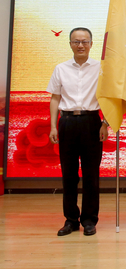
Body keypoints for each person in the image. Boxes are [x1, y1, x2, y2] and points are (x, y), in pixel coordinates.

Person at [47, 27, 108, 237]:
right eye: (76, 41)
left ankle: (89, 220)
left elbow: (108, 97)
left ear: (91, 44)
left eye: (84, 41)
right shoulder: (61, 68)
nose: (80, 45)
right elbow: (55, 98)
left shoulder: (101, 68)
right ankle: (71, 220)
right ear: (70, 44)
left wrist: (105, 123)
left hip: (92, 122)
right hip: (67, 122)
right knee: (69, 175)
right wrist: (53, 126)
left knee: (91, 175)